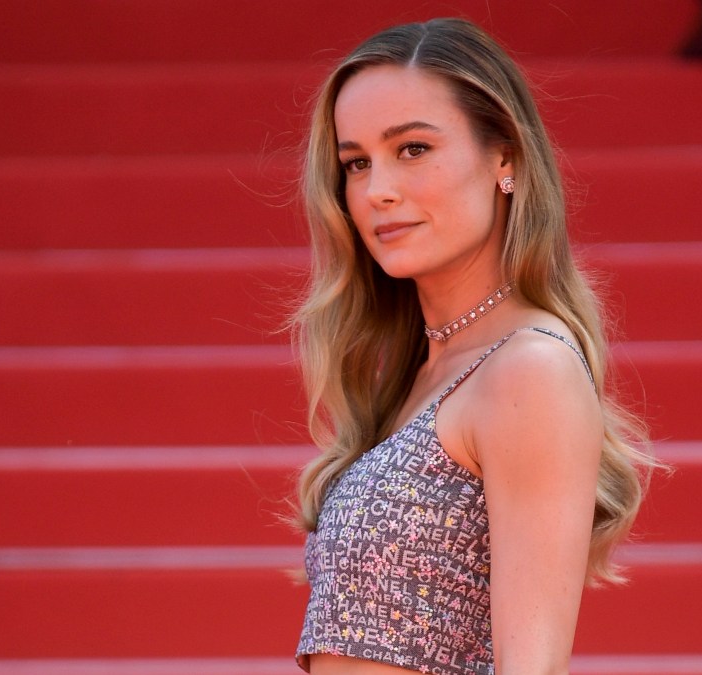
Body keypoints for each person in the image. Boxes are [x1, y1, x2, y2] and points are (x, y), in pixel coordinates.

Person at [290, 17, 656, 675]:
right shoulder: (420, 373)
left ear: (504, 158)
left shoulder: (528, 370)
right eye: (356, 163)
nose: (378, 191)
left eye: (413, 149)